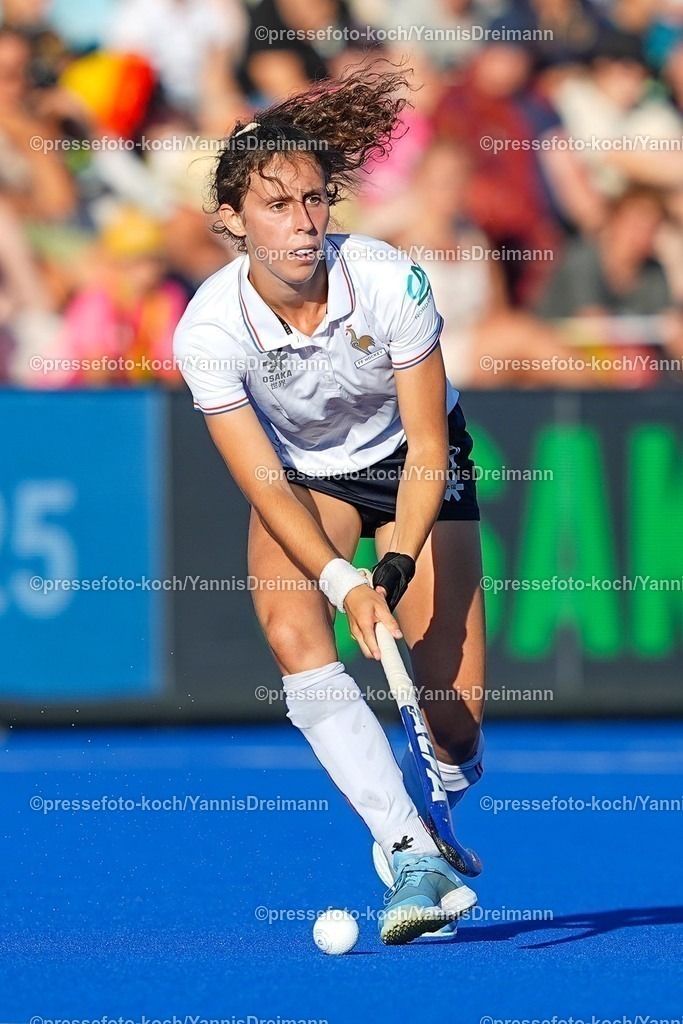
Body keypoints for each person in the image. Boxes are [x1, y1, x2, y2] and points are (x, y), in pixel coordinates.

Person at [173, 63, 486, 946]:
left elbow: (428, 446)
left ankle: (434, 807)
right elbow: (263, 480)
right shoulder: (208, 330)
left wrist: (390, 566)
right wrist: (342, 582)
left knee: (455, 725)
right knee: (291, 631)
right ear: (232, 221)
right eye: (279, 206)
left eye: (316, 201)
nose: (305, 224)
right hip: (307, 476)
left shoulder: (389, 282)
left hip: (415, 468)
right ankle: (405, 847)